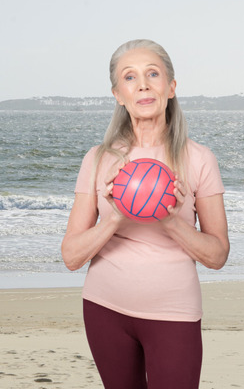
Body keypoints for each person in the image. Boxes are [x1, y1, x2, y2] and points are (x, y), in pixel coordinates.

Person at [61, 39, 230, 389]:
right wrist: (116, 218)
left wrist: (169, 219)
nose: (143, 84)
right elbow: (71, 256)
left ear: (170, 86)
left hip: (174, 312)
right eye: (130, 77)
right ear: (118, 95)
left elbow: (217, 255)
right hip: (104, 308)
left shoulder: (199, 159)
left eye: (153, 73)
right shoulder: (96, 159)